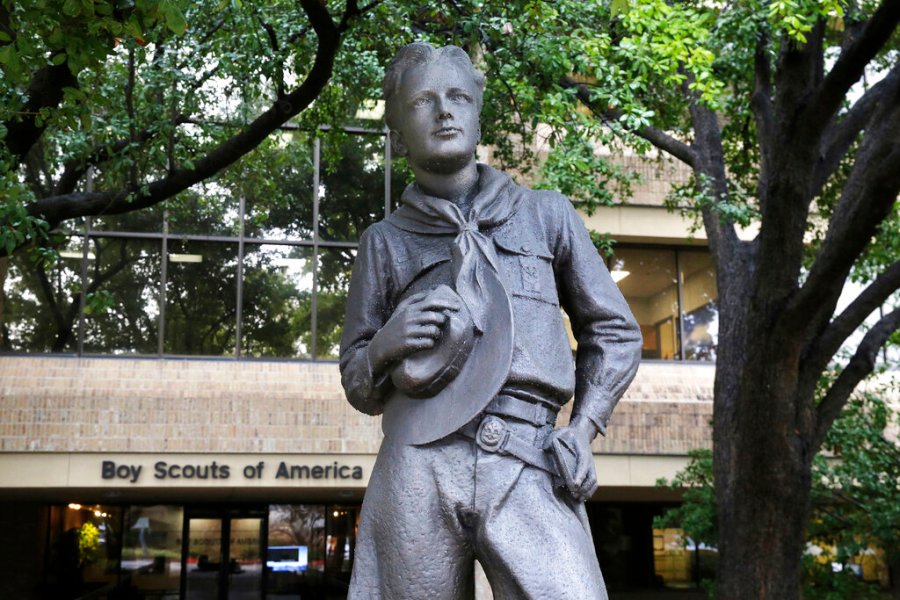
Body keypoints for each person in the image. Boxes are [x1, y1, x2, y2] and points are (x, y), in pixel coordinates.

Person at [339, 42, 642, 600]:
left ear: (478, 113)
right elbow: (357, 381)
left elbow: (615, 331)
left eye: (457, 97)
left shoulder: (545, 214)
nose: (444, 111)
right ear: (398, 127)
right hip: (416, 461)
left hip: (529, 454)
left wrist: (584, 427)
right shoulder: (382, 243)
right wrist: (383, 347)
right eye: (422, 101)